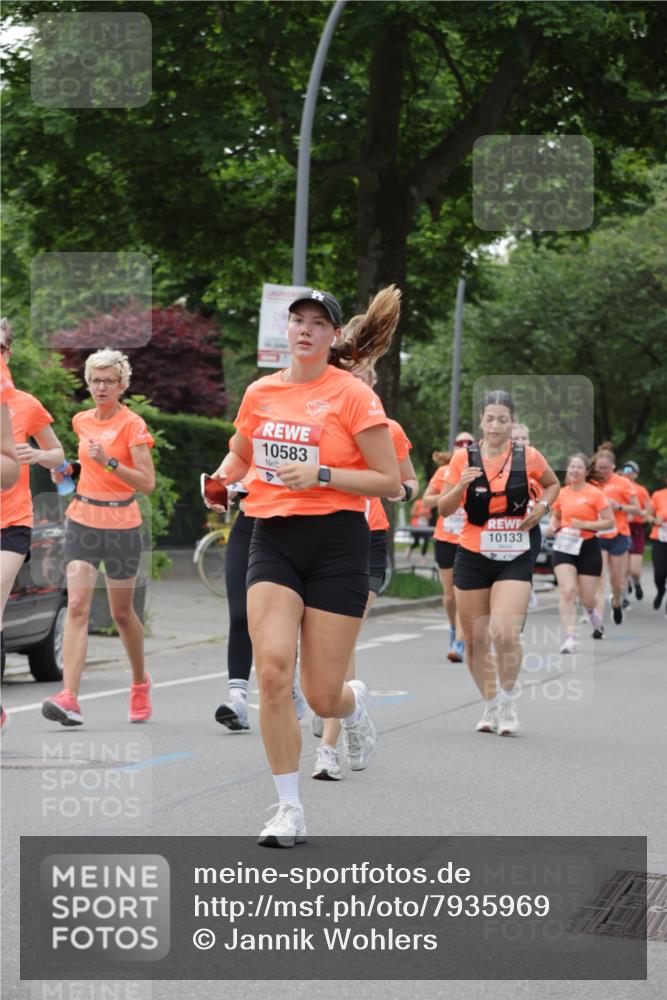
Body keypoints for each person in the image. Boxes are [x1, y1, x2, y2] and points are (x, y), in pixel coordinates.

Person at [207, 287, 401, 846]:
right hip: (272, 538)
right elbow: (241, 454)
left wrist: (322, 475)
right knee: (271, 673)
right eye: (298, 321)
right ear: (286, 331)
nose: (306, 330)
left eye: (319, 323)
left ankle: (354, 704)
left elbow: (388, 481)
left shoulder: (353, 396)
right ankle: (287, 807)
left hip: (338, 542)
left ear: (334, 336)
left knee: (322, 696)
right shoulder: (260, 392)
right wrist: (222, 482)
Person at [312, 357, 418, 780]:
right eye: (350, 374)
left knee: (343, 643)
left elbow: (408, 482)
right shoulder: (318, 421)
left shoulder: (388, 430)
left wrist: (398, 490)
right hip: (315, 536)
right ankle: (334, 700)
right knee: (311, 647)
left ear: (373, 384)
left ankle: (327, 749)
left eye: (365, 377)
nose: (357, 382)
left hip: (365, 540)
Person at [42, 348, 156, 727]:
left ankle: (140, 682)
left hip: (122, 524)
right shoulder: (81, 420)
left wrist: (109, 459)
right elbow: (85, 466)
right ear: (88, 384)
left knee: (122, 614)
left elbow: (147, 483)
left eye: (109, 380)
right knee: (76, 605)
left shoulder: (133, 426)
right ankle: (69, 696)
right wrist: (70, 470)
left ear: (122, 385)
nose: (102, 387)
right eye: (96, 380)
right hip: (82, 520)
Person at [437, 390, 559, 736]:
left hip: (515, 554)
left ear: (512, 423)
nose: (495, 425)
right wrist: (459, 485)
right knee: (476, 640)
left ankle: (507, 698)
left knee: (504, 632)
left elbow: (552, 485)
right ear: (481, 420)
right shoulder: (463, 459)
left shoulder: (529, 456)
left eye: (502, 419)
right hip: (473, 554)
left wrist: (543, 507)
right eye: (489, 418)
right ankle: (490, 702)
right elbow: (444, 509)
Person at [1, 320, 65, 690]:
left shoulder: (25, 404)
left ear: (7, 354)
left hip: (12, 522)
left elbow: (58, 454)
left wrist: (38, 454)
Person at [546, 454, 614, 653]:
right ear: (567, 470)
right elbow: (556, 518)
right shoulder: (561, 493)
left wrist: (584, 524)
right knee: (567, 591)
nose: (574, 470)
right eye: (571, 467)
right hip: (564, 546)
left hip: (588, 546)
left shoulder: (595, 494)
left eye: (579, 467)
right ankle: (570, 638)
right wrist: (552, 526)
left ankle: (593, 614)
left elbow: (609, 522)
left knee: (587, 599)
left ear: (585, 471)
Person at [422, 433, 474, 662]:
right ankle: (454, 629)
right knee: (450, 596)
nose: (463, 446)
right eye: (459, 443)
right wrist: (450, 494)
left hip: (469, 538)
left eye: (468, 443)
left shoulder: (481, 472)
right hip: (445, 537)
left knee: (463, 593)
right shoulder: (443, 472)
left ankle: (460, 643)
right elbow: (426, 500)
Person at [592, 449, 640, 626]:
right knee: (599, 578)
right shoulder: (592, 483)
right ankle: (598, 624)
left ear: (613, 466)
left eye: (606, 468)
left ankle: (617, 603)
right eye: (599, 467)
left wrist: (618, 506)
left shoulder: (623, 483)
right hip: (598, 535)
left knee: (618, 582)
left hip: (619, 534)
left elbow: (636, 509)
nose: (603, 471)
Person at [620, 460, 650, 602]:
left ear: (636, 474)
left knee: (634, 570)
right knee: (623, 568)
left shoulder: (641, 490)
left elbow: (648, 509)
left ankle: (636, 583)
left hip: (636, 529)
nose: (627, 473)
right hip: (621, 528)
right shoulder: (617, 487)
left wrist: (644, 516)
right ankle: (624, 597)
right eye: (625, 470)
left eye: (631, 470)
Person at [647, 474, 667, 614]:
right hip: (659, 538)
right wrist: (654, 521)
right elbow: (648, 515)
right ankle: (661, 591)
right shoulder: (658, 495)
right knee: (659, 574)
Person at [407, 495, 432, 561]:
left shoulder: (428, 504)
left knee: (426, 541)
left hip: (425, 526)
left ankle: (422, 557)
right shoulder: (417, 502)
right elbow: (412, 513)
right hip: (416, 526)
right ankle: (410, 549)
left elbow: (430, 516)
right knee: (416, 542)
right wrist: (421, 513)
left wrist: (428, 516)